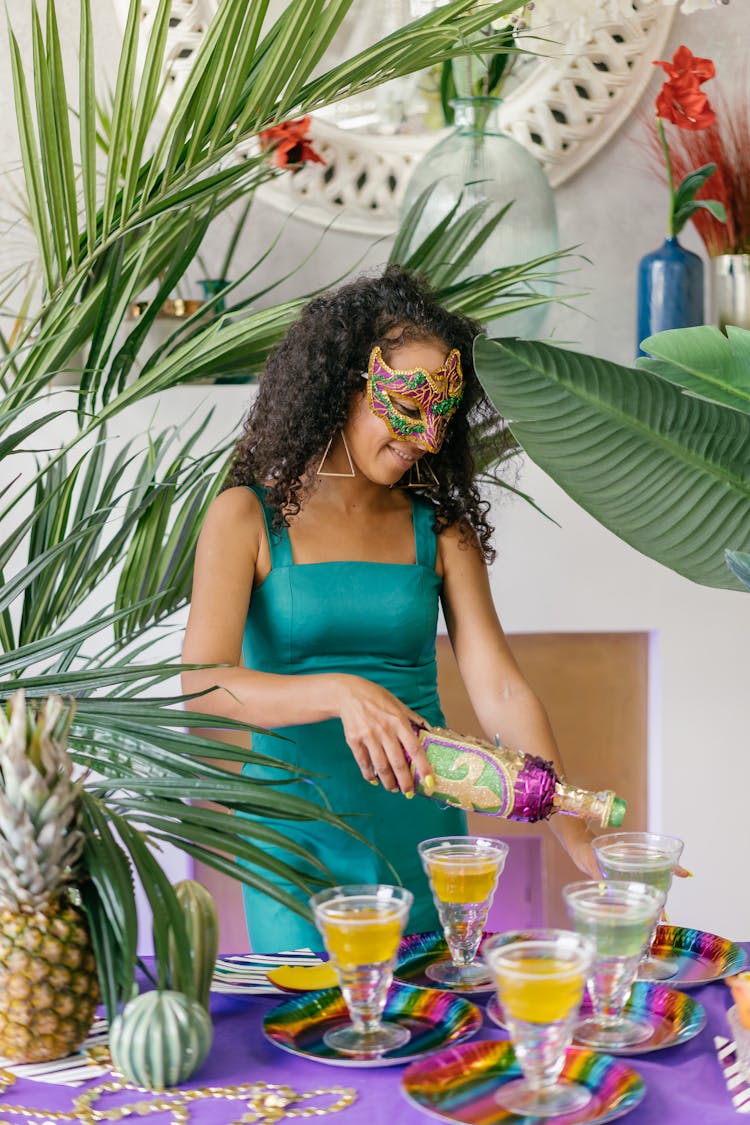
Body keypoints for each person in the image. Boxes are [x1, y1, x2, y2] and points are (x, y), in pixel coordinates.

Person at [182, 265, 599, 953]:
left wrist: (573, 826)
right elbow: (201, 682)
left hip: (420, 831)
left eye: (445, 413)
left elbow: (500, 687)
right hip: (295, 838)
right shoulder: (245, 517)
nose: (427, 435)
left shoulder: (439, 528)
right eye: (408, 405)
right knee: (314, 1037)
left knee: (426, 1028)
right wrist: (342, 692)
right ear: (343, 382)